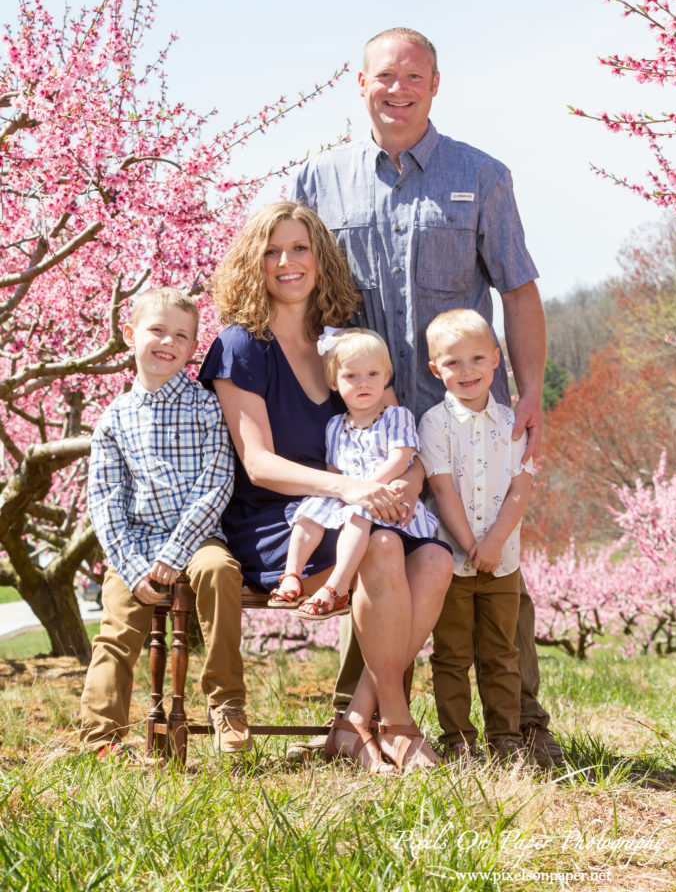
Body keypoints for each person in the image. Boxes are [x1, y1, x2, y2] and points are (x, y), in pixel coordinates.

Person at [291, 26, 563, 767]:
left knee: (487, 559)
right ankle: (372, 725)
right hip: (365, 422)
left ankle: (518, 726)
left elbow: (517, 286)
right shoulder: (318, 181)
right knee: (377, 554)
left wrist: (531, 391)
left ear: (434, 86)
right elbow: (293, 292)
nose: (398, 89)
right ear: (361, 82)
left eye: (414, 77)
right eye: (385, 76)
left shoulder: (481, 174)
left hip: (463, 413)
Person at [198, 202, 453, 772]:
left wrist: (408, 483)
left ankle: (354, 722)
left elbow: (398, 436)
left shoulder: (345, 344)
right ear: (251, 263)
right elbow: (260, 464)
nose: (286, 263)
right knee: (385, 548)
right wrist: (350, 490)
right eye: (271, 251)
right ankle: (399, 724)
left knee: (436, 560)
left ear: (320, 259)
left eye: (300, 249)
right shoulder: (240, 345)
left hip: (364, 508)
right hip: (282, 523)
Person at [81, 287, 249, 757]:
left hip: (198, 539)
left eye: (181, 335)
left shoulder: (205, 406)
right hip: (136, 546)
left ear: (194, 347)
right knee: (116, 629)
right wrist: (135, 568)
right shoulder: (113, 418)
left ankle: (226, 703)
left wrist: (175, 555)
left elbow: (216, 483)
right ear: (130, 334)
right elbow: (105, 501)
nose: (167, 342)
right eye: (156, 330)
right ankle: (101, 738)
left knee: (220, 572)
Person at [267, 327, 447, 620]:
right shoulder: (335, 425)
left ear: (386, 377)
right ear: (334, 382)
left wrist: (366, 489)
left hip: (384, 495)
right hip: (348, 494)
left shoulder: (396, 416)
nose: (363, 383)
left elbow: (401, 458)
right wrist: (340, 491)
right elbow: (334, 470)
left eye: (373, 375)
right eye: (352, 376)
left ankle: (335, 589)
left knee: (357, 514)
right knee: (309, 511)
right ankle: (291, 576)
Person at [418, 309, 534, 761]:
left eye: (476, 359)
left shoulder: (513, 423)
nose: (466, 371)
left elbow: (520, 491)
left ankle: (504, 736)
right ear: (435, 370)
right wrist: (470, 546)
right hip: (453, 561)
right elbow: (443, 490)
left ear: (496, 361)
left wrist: (493, 544)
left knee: (502, 652)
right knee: (451, 653)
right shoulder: (434, 424)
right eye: (453, 363)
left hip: (503, 561)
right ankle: (457, 739)